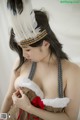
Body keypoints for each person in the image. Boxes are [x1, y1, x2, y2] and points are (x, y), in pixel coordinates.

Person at [0, 0, 80, 120]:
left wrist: (29, 108)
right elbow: (7, 98)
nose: (23, 54)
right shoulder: (21, 62)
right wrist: (2, 117)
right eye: (21, 49)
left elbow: (70, 117)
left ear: (46, 44)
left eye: (27, 50)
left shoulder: (71, 71)